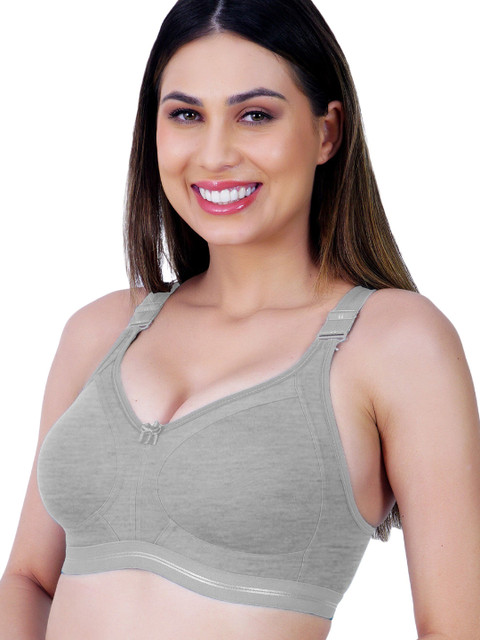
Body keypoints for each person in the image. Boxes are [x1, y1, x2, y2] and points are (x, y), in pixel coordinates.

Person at [1, 0, 479, 638]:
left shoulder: (394, 341)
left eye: (255, 115)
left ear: (328, 132)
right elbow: (29, 579)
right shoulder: (101, 330)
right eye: (186, 115)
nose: (215, 154)